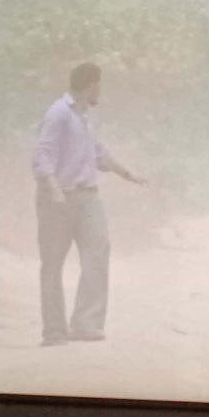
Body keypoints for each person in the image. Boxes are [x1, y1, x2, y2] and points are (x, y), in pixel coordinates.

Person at [32, 62, 145, 347]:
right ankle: (54, 331)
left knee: (98, 252)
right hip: (58, 197)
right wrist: (54, 191)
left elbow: (99, 154)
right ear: (90, 85)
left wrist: (127, 174)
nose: (101, 91)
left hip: (87, 196)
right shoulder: (58, 112)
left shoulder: (83, 117)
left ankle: (86, 323)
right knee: (52, 264)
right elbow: (42, 156)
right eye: (99, 85)